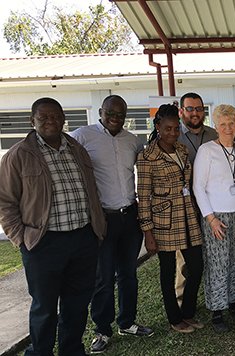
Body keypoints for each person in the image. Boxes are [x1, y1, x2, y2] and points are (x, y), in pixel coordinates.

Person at [0, 97, 106, 356]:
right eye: (44, 117)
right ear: (32, 121)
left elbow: (90, 189)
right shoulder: (19, 155)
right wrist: (21, 238)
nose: (51, 121)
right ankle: (40, 352)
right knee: (44, 307)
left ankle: (71, 350)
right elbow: (5, 201)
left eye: (56, 116)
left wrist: (96, 229)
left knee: (77, 303)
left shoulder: (75, 148)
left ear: (63, 119)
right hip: (43, 243)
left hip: (82, 238)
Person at [71, 95, 153, 353]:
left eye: (120, 115)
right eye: (111, 113)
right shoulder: (82, 136)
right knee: (103, 277)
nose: (115, 119)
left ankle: (127, 322)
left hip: (130, 215)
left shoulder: (132, 141)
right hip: (103, 218)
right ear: (101, 112)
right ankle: (102, 330)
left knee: (128, 274)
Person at [137, 104, 204, 334]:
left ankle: (187, 312)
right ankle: (174, 318)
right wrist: (148, 232)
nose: (173, 133)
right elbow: (143, 196)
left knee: (196, 267)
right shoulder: (147, 157)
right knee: (167, 273)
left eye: (176, 129)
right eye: (167, 129)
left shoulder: (183, 150)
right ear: (158, 127)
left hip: (188, 216)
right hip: (164, 221)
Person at [193, 104, 235, 333]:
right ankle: (217, 311)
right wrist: (210, 219)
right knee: (218, 264)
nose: (227, 128)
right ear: (216, 127)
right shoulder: (207, 151)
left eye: (231, 124)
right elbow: (198, 187)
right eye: (223, 124)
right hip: (216, 217)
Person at [174, 92, 218, 305]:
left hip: (211, 204)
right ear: (181, 111)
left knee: (210, 252)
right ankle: (182, 301)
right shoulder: (173, 135)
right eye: (189, 109)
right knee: (185, 258)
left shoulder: (213, 134)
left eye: (199, 109)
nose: (195, 113)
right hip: (184, 206)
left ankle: (214, 294)